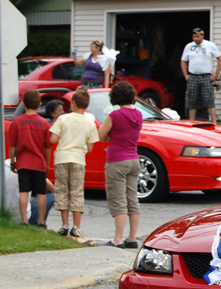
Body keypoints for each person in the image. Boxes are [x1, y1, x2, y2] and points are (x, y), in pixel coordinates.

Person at [49, 88, 100, 238]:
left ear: (73, 103)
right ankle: (76, 226)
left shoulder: (63, 119)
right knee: (77, 192)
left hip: (62, 158)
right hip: (78, 159)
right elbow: (90, 147)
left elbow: (53, 139)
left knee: (63, 190)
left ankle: (64, 224)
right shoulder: (89, 123)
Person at [99, 81, 143, 248]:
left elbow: (101, 134)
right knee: (132, 198)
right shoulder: (138, 115)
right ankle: (132, 238)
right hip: (134, 158)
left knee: (118, 199)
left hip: (117, 159)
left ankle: (117, 239)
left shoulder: (115, 116)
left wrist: (111, 138)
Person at [8, 90, 51, 227]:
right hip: (39, 162)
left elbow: (13, 146)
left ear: (24, 104)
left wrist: (13, 161)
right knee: (41, 192)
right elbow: (47, 147)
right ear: (39, 105)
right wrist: (47, 163)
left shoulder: (17, 122)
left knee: (24, 191)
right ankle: (41, 221)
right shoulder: (44, 123)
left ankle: (24, 220)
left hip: (23, 162)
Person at [180, 27, 221, 124]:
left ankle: (213, 121)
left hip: (206, 76)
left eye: (198, 37)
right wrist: (186, 75)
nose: (196, 38)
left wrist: (216, 74)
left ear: (202, 36)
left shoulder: (210, 45)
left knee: (209, 99)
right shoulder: (189, 46)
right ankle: (192, 121)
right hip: (193, 76)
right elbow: (183, 61)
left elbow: (220, 58)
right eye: (194, 37)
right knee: (191, 99)